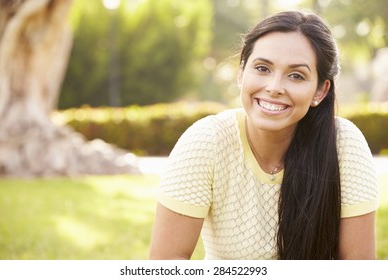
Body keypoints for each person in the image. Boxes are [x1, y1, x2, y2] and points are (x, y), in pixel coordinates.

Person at [149, 10, 379, 260]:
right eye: (262, 68)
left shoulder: (344, 146)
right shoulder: (207, 141)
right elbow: (166, 265)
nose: (274, 87)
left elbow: (359, 270)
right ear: (241, 73)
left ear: (320, 91)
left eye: (296, 75)